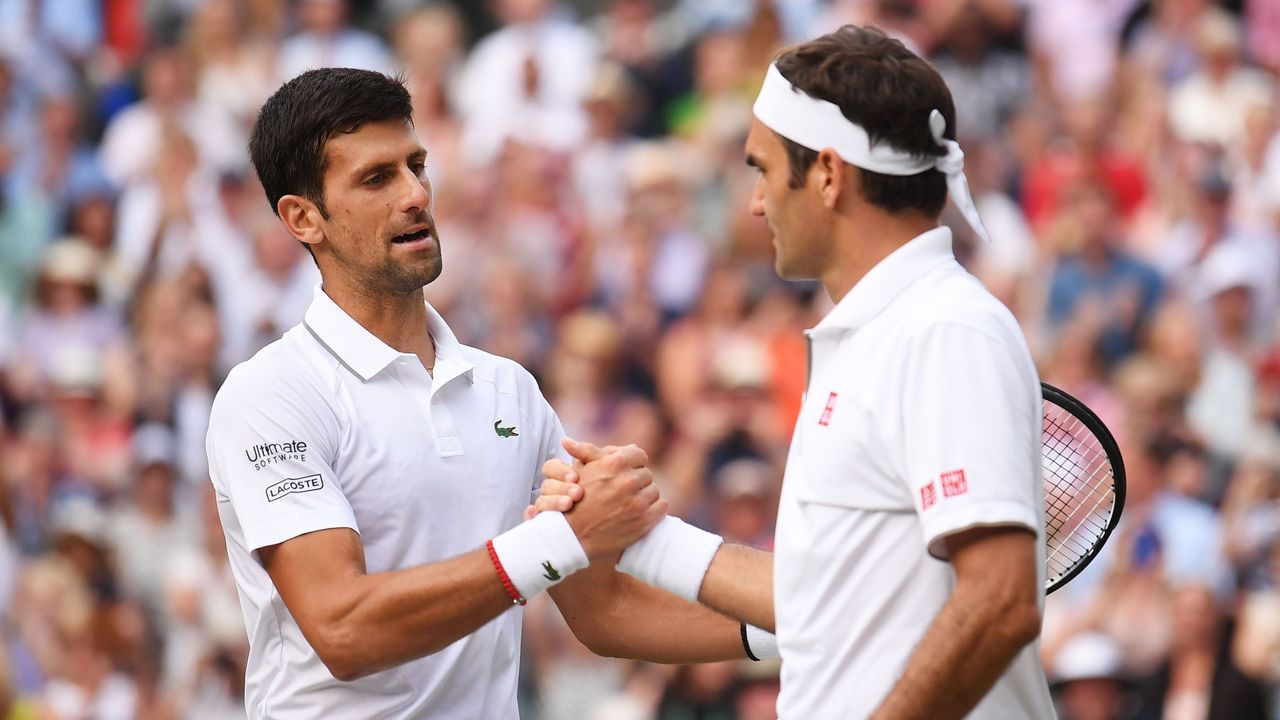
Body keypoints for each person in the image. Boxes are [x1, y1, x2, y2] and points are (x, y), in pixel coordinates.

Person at [538, 26, 1056, 719]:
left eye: (762, 168)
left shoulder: (943, 328)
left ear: (829, 176)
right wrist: (634, 532)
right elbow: (818, 600)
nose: (754, 203)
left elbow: (1000, 603)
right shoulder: (883, 330)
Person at [204, 68, 752, 719]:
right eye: (377, 178)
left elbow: (606, 609)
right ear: (303, 218)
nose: (414, 195)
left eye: (416, 165)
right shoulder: (270, 393)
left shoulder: (509, 389)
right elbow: (343, 628)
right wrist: (559, 541)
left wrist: (806, 630)